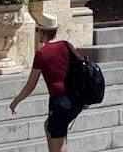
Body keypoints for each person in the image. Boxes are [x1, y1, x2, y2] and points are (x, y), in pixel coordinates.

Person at [10, 20, 78, 152]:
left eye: (37, 31)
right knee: (53, 130)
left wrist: (16, 101)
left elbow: (31, 84)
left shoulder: (42, 53)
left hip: (59, 101)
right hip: (74, 99)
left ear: (42, 33)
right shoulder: (67, 45)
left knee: (55, 147)